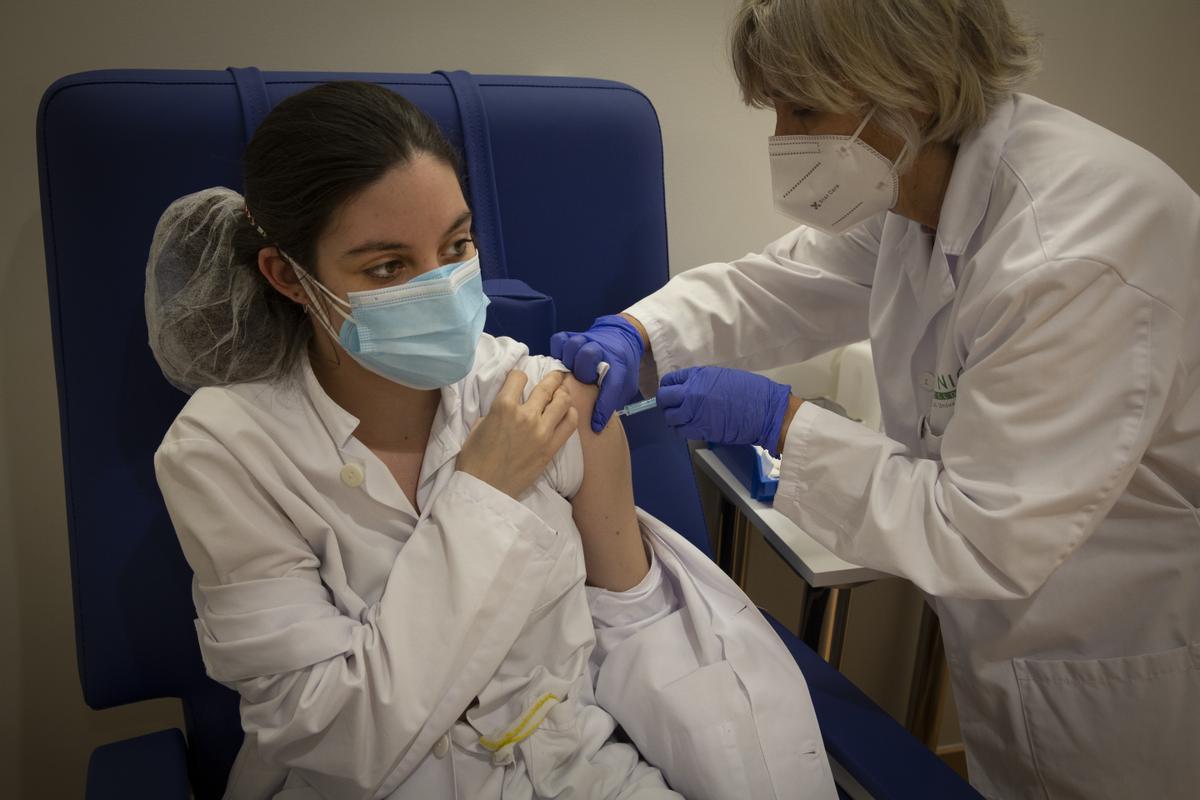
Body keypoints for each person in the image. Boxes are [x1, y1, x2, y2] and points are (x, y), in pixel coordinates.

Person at [551, 1, 1200, 798]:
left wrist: (780, 423)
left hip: (1122, 655)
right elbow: (784, 285)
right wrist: (639, 333)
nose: (784, 141)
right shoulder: (922, 186)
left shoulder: (1074, 249)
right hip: (1024, 644)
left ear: (910, 88)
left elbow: (983, 534)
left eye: (806, 109)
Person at [146, 81, 836, 799]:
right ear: (289, 277)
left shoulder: (536, 392)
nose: (442, 286)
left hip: (578, 773)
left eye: (456, 245)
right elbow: (339, 741)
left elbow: (643, 632)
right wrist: (482, 492)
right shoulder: (226, 453)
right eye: (388, 266)